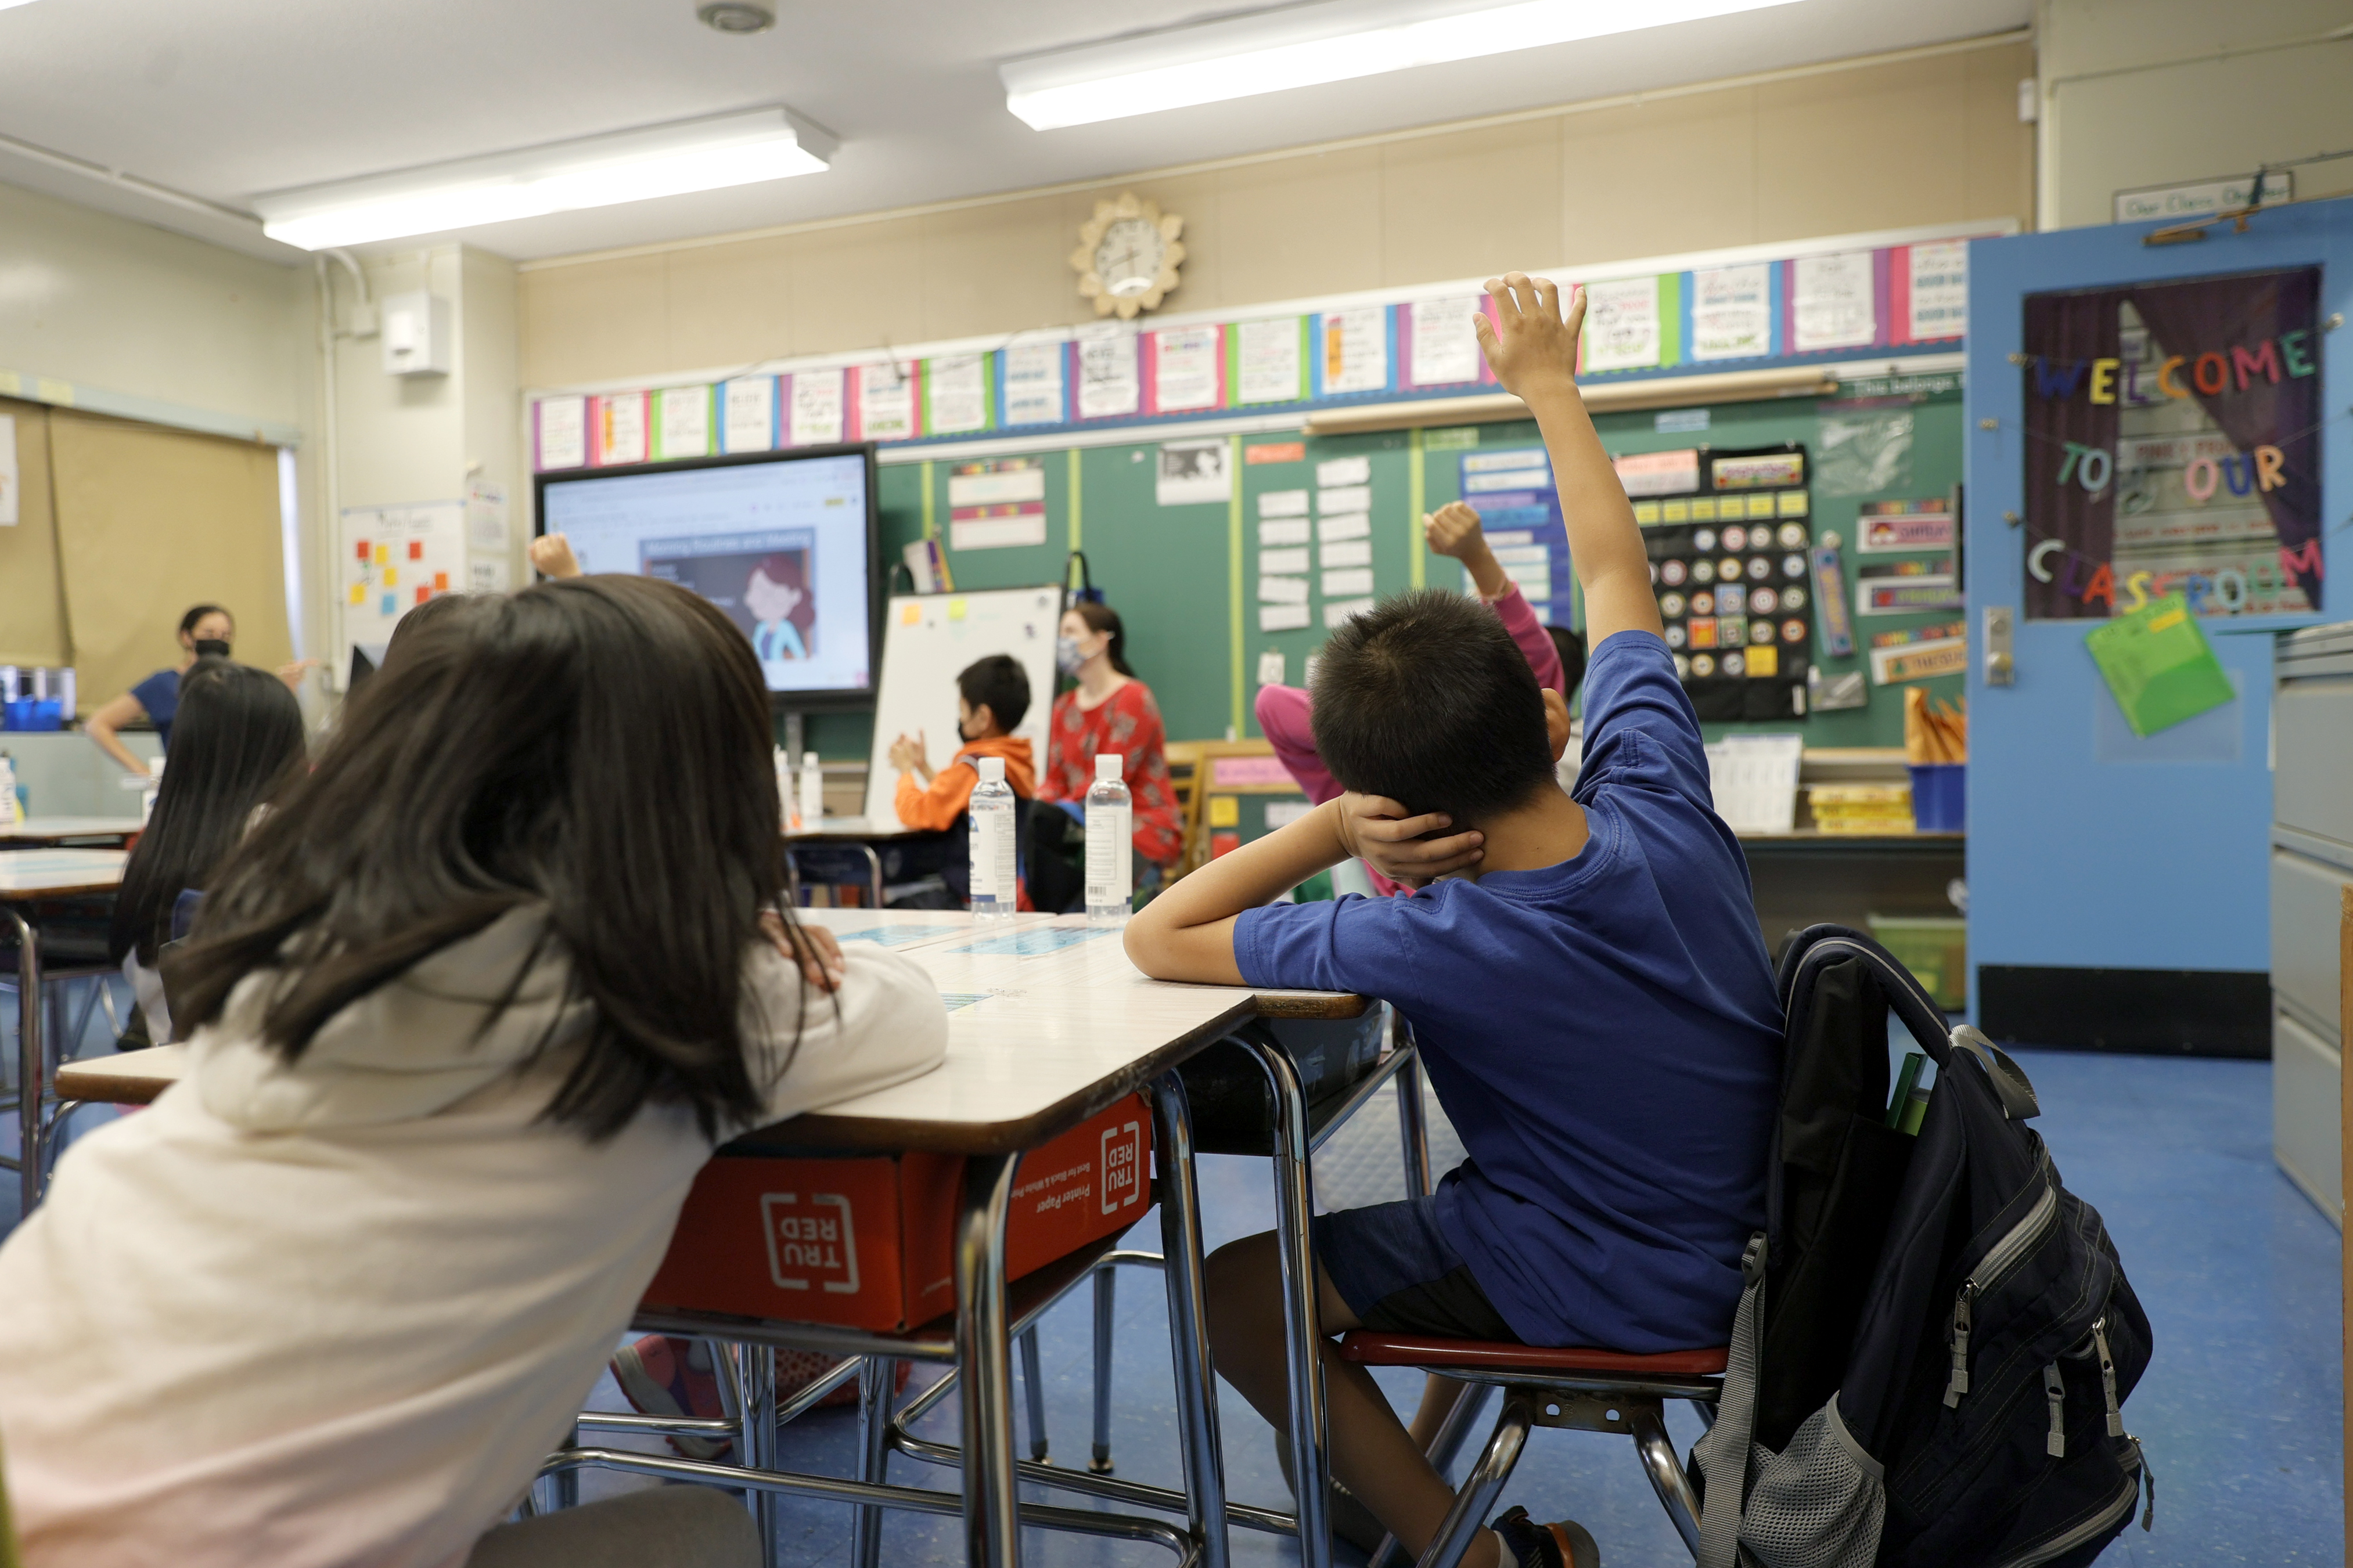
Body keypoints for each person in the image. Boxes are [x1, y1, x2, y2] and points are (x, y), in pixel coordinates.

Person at [0, 574, 949, 1568]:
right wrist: (734, 941)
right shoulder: (670, 1004)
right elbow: (905, 1010)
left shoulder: (300, 962)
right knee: (700, 1535)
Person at [1123, 275, 1782, 1568]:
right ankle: (1435, 1485)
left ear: (1388, 796)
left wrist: (1331, 829)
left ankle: (1471, 1559)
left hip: (1617, 1278)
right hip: (1772, 1256)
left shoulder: (1429, 933)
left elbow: (1158, 939)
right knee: (1449, 1204)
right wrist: (1548, 384)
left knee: (1236, 1293)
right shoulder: (1654, 788)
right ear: (1535, 711)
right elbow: (1614, 567)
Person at [1256, 500, 1571, 896]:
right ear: (1551, 724)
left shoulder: (1395, 925)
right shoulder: (1617, 811)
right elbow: (1542, 667)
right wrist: (1478, 557)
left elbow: (1272, 704)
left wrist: (1342, 827)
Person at [105, 659, 308, 1044]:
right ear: (285, 747)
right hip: (251, 1068)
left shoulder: (158, 843)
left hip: (167, 1065)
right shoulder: (274, 835)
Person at [1038, 603, 1183, 874]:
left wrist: (1061, 813)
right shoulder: (1064, 706)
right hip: (1082, 829)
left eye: (1070, 631)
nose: (1063, 641)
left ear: (1101, 640)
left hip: (1135, 829)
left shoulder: (1134, 698)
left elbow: (1109, 783)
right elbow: (1055, 780)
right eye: (1061, 633)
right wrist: (1034, 807)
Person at [84, 604, 312, 773]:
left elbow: (269, 728)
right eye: (208, 634)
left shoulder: (242, 680)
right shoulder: (163, 684)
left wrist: (287, 689)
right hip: (186, 786)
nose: (217, 641)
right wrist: (143, 772)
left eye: (225, 636)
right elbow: (98, 724)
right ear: (186, 637)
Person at [888, 653, 1035, 832]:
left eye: (963, 710)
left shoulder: (974, 768)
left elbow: (916, 813)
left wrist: (905, 771)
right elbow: (956, 798)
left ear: (983, 718)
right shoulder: (1016, 758)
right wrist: (923, 767)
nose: (961, 719)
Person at [744, 553, 812, 662]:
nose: (766, 601)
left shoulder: (786, 628)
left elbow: (800, 655)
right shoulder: (761, 628)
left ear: (794, 596)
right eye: (759, 593)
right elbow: (753, 654)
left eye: (775, 594)